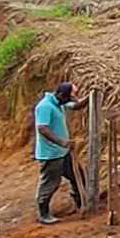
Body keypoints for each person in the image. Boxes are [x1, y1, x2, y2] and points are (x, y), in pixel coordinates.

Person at [32, 85, 75, 223]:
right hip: (51, 154)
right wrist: (61, 142)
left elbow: (76, 105)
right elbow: (42, 129)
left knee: (76, 175)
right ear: (62, 95)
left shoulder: (58, 103)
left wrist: (92, 94)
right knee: (50, 183)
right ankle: (43, 214)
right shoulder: (45, 106)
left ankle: (80, 202)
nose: (71, 100)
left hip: (62, 152)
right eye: (69, 97)